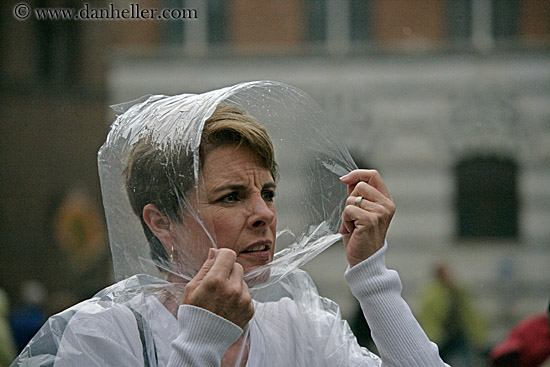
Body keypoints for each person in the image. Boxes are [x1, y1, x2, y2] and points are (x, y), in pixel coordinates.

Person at [11, 81, 448, 366]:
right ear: (161, 222)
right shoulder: (107, 337)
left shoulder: (301, 330)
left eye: (268, 193)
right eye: (232, 196)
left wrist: (371, 275)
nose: (264, 214)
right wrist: (200, 342)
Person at [418, 264, 486, 367]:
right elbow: (431, 316)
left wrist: (477, 333)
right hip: (441, 336)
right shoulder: (433, 293)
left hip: (458, 333)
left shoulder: (457, 291)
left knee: (464, 360)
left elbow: (468, 313)